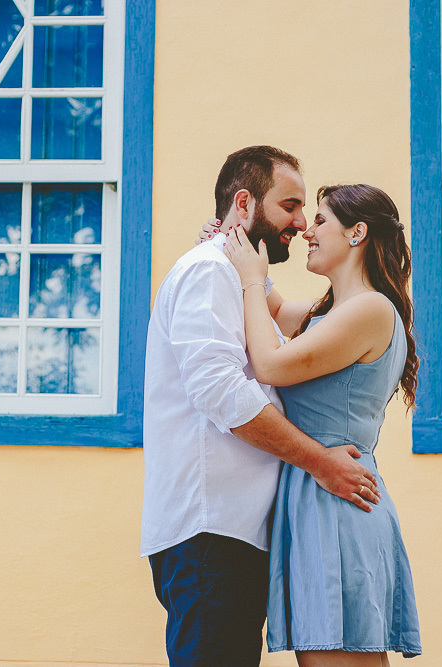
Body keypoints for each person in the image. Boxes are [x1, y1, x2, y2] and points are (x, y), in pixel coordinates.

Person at [141, 147, 382, 666]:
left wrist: (258, 278)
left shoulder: (234, 277)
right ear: (245, 202)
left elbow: (296, 326)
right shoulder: (210, 272)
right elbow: (220, 390)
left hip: (234, 533)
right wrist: (321, 462)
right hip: (212, 531)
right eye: (291, 206)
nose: (300, 223)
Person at [221, 183, 422, 665]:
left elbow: (268, 364)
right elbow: (272, 312)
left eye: (320, 221)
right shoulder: (332, 314)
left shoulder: (369, 310)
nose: (307, 231)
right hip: (318, 495)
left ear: (357, 233)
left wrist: (251, 277)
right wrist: (235, 247)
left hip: (335, 500)